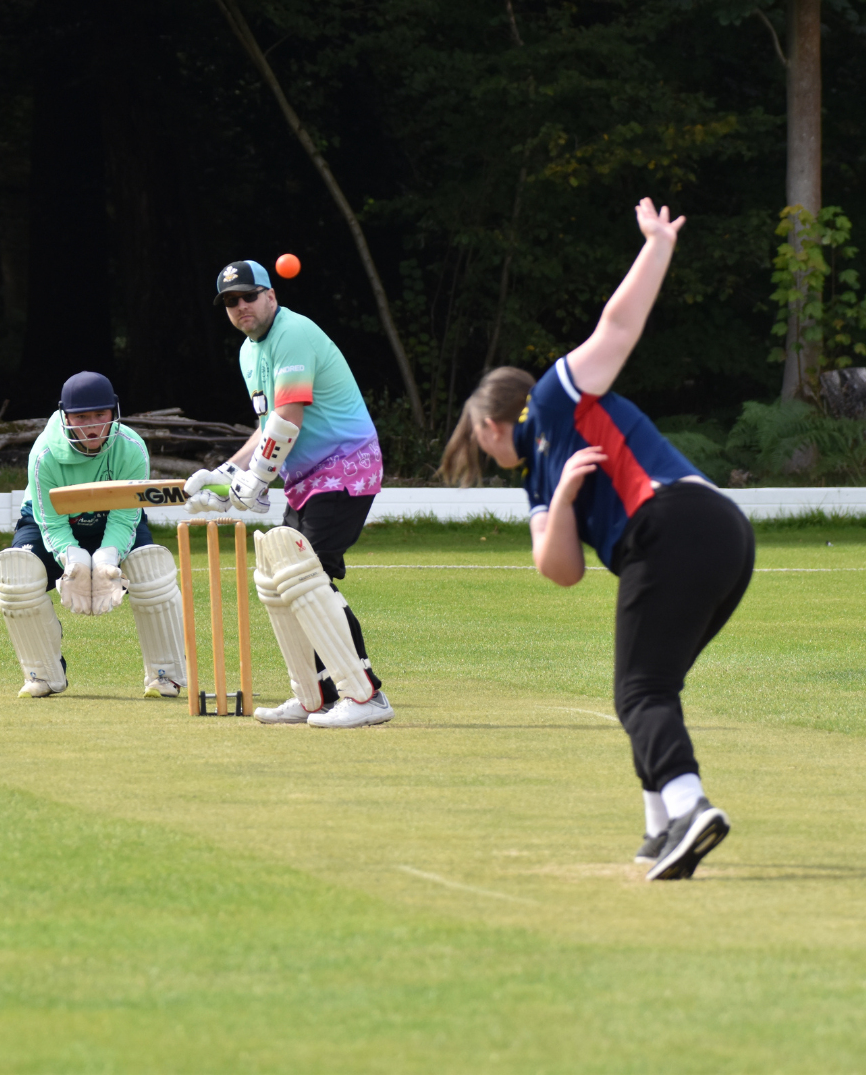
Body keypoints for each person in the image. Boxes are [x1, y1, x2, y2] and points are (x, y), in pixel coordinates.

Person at [440, 199, 754, 881]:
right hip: (723, 536)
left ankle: (688, 803)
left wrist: (657, 246)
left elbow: (617, 326)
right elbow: (558, 571)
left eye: (478, 438)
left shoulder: (555, 398)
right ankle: (659, 829)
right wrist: (564, 500)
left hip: (676, 526)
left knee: (640, 692)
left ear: (493, 425)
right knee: (649, 688)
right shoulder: (537, 484)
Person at [183, 259, 393, 729]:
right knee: (280, 580)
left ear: (271, 295)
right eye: (230, 302)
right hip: (307, 479)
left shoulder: (293, 334)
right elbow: (266, 429)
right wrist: (223, 475)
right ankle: (315, 695)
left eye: (249, 296)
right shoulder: (247, 353)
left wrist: (255, 481)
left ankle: (367, 696)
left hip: (346, 468)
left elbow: (289, 418)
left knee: (307, 579)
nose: (241, 307)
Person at [0, 371, 187, 700]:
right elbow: (51, 523)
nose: (93, 426)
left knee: (150, 567)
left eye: (100, 415)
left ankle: (164, 675)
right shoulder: (44, 455)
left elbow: (126, 515)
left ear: (114, 412)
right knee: (17, 575)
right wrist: (75, 559)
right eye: (82, 417)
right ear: (65, 416)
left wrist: (107, 558)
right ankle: (42, 673)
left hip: (113, 517)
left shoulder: (131, 449)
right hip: (49, 521)